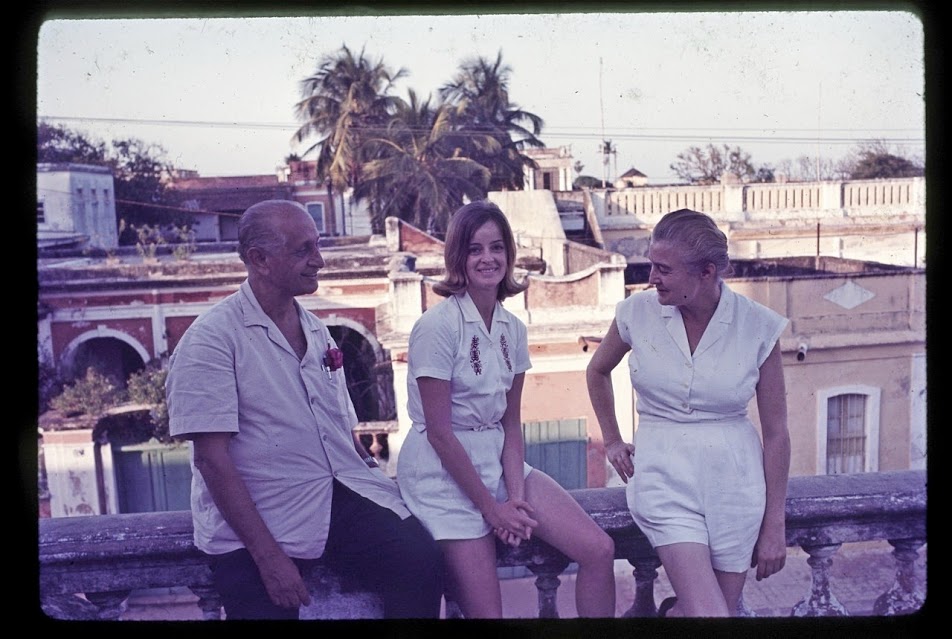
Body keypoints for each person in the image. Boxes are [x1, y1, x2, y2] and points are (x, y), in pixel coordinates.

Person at [165, 199, 443, 620]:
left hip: (331, 498)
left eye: (317, 246)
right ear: (259, 260)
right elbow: (211, 460)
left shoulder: (315, 330)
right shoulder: (211, 339)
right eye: (303, 250)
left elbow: (339, 427)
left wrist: (375, 481)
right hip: (257, 522)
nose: (319, 260)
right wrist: (269, 559)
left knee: (420, 560)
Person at [398, 200, 617, 619]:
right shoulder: (435, 327)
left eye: (496, 247)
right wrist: (492, 510)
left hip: (498, 462)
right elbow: (440, 434)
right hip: (444, 477)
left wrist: (514, 500)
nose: (488, 258)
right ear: (457, 257)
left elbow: (511, 423)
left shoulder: (512, 328)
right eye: (475, 249)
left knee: (599, 549)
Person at [586, 208, 791, 618]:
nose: (652, 278)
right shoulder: (636, 313)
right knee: (711, 614)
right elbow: (597, 371)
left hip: (736, 485)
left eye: (664, 269)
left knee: (714, 610)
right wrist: (612, 439)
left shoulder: (758, 326)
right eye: (652, 265)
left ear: (706, 272)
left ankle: (671, 614)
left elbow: (777, 433)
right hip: (664, 478)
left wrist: (774, 524)